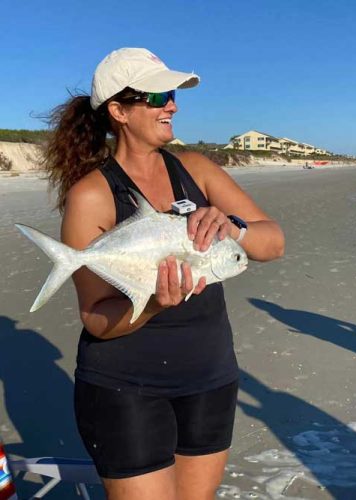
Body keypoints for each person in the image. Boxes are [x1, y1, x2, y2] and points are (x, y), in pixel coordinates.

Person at [43, 47, 285, 500]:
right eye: (157, 97)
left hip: (210, 379)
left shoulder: (196, 168)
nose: (172, 104)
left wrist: (233, 227)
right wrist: (154, 301)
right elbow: (97, 317)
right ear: (118, 111)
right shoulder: (92, 196)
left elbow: (273, 243)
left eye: (171, 93)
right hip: (126, 387)